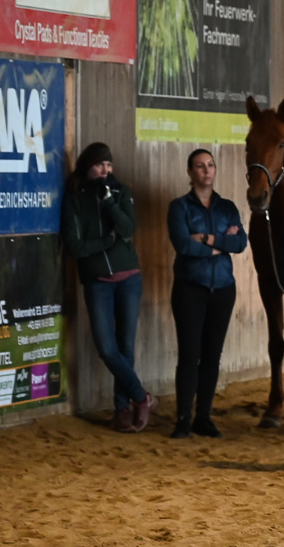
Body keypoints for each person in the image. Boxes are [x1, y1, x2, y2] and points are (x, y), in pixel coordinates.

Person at [63, 143, 152, 432]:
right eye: (101, 164)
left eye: (109, 165)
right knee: (107, 348)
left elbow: (127, 228)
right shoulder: (75, 198)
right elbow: (74, 246)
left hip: (129, 278)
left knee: (126, 347)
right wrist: (107, 242)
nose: (106, 170)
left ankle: (121, 410)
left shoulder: (121, 192)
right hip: (97, 282)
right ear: (88, 166)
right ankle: (142, 397)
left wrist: (110, 202)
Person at [166, 148, 247, 438]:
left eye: (210, 165)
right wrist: (221, 244)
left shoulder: (227, 207)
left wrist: (206, 239)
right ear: (190, 172)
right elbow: (183, 246)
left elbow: (240, 244)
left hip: (223, 288)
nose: (206, 170)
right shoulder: (180, 207)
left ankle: (204, 416)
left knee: (212, 355)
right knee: (190, 354)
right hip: (190, 287)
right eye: (200, 166)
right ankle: (183, 418)